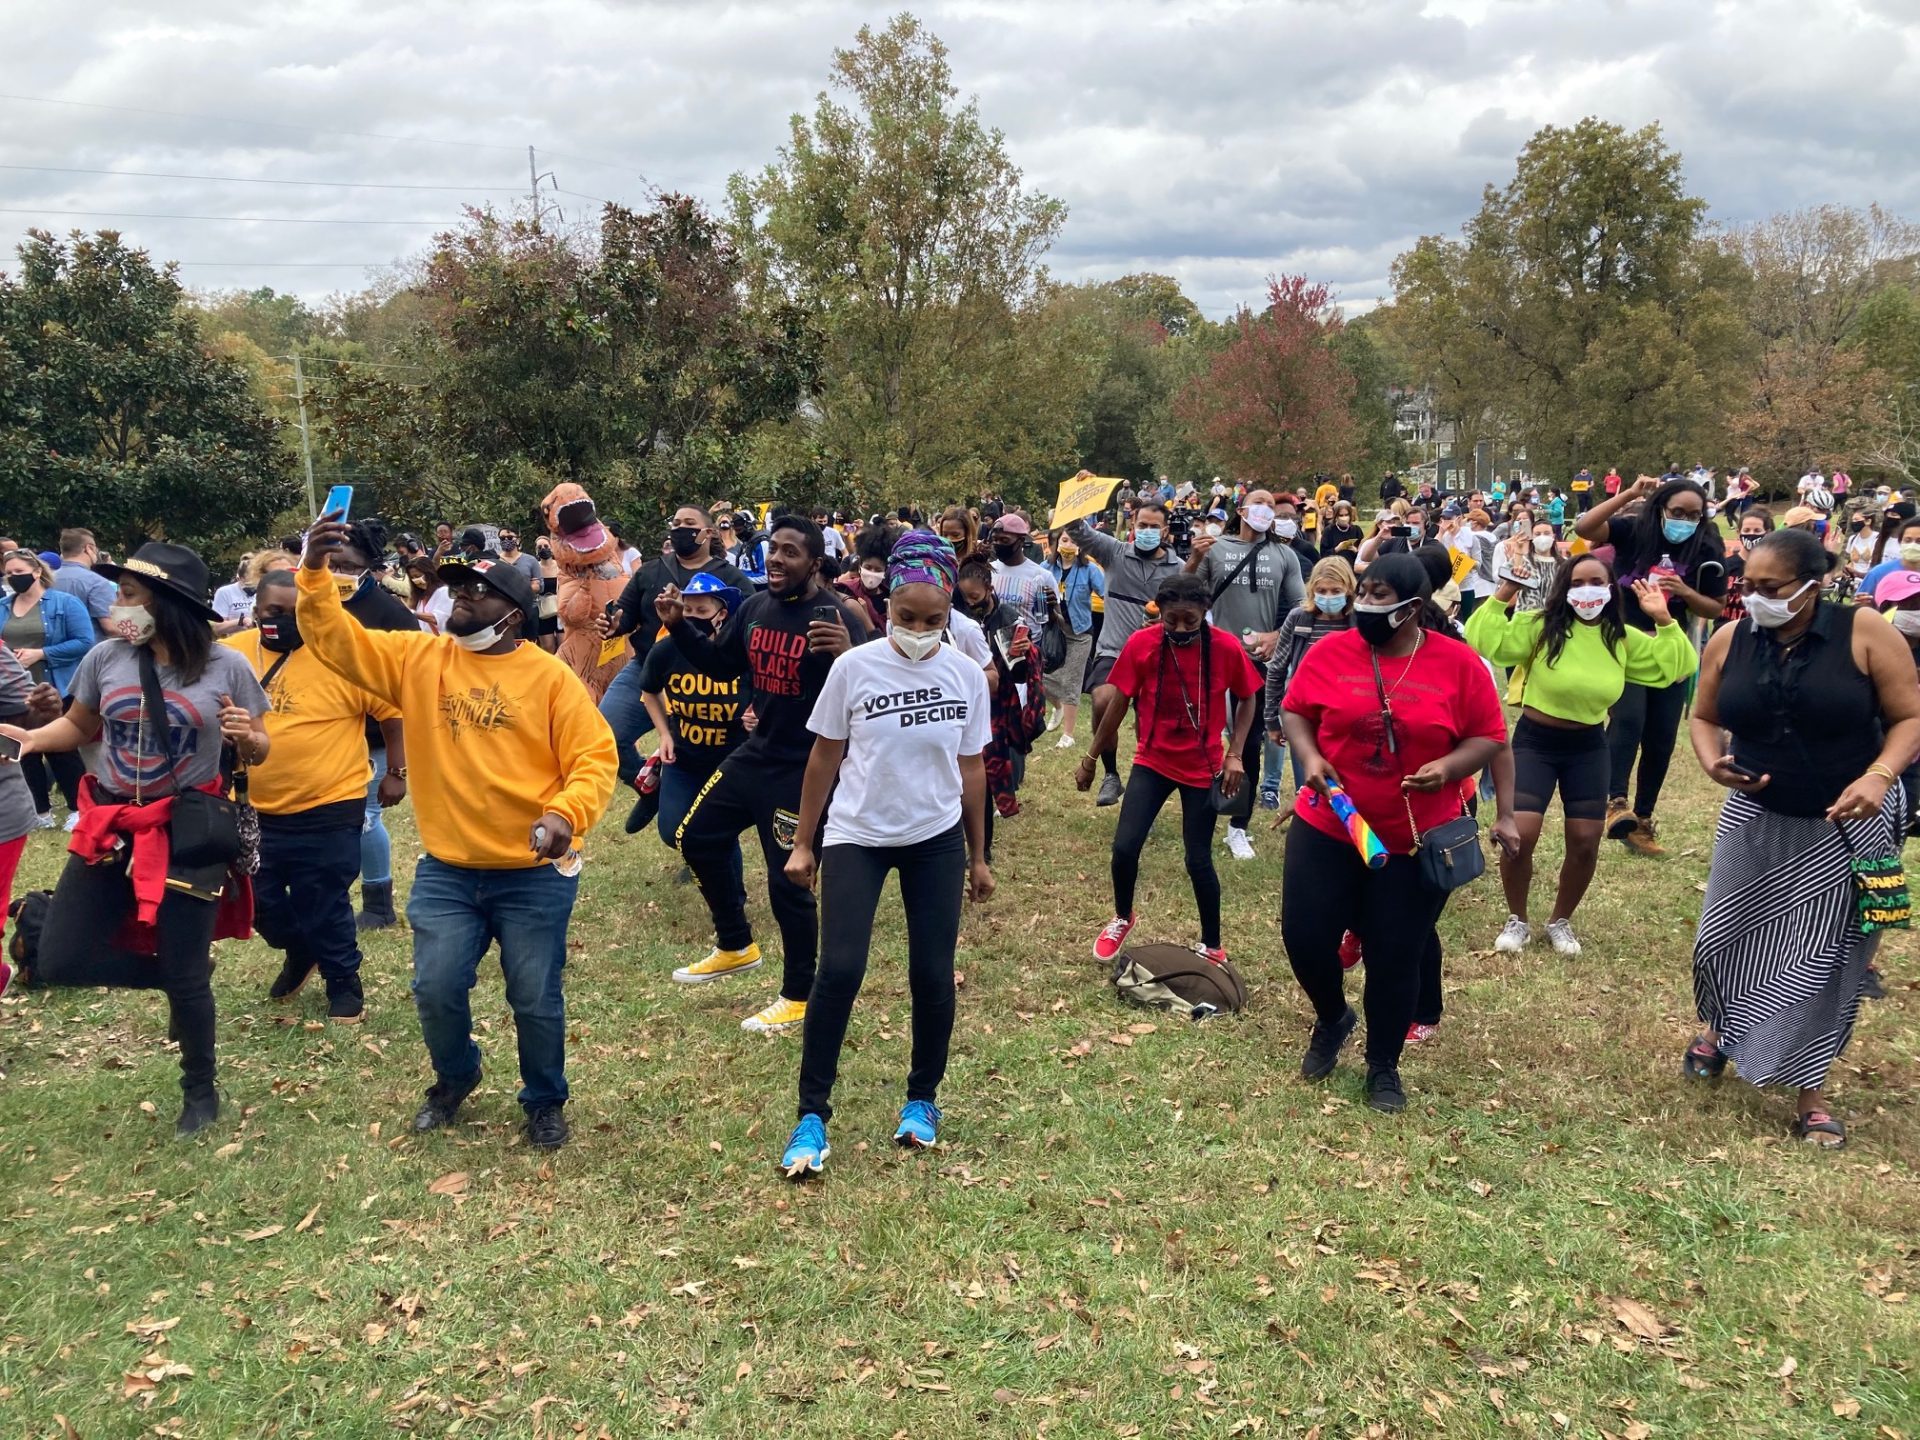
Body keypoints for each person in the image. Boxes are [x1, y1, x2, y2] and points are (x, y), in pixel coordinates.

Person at [297, 523, 618, 1150]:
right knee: (437, 987)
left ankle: (544, 1099)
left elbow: (595, 759)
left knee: (534, 997)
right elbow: (334, 640)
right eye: (457, 590)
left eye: (479, 590)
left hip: (532, 873)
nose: (462, 597)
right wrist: (313, 575)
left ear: (515, 615)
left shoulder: (550, 679)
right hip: (449, 869)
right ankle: (455, 1076)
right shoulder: (419, 660)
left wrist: (564, 814)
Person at [0, 542, 271, 1135]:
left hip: (189, 829)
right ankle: (176, 977)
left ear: (166, 603)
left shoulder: (227, 668)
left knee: (186, 967)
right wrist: (25, 739)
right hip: (112, 824)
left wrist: (243, 737)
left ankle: (200, 1088)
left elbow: (259, 745)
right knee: (62, 958)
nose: (117, 605)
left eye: (128, 594)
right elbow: (79, 725)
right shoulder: (106, 658)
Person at [1685, 529, 1920, 1148]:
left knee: (1828, 957)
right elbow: (1705, 715)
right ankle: (1720, 1029)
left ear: (1813, 585)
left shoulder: (1869, 634)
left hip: (1851, 820)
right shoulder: (1732, 639)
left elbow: (1909, 717)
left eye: (1771, 589)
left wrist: (1880, 774)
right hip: (1757, 816)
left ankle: (1810, 1093)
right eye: (1748, 587)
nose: (1755, 599)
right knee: (1725, 936)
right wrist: (1712, 762)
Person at [776, 534, 992, 1178]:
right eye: (906, 617)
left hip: (934, 838)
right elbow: (825, 756)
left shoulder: (963, 675)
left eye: (933, 620)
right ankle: (812, 1113)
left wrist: (978, 856)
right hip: (857, 835)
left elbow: (973, 767)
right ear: (886, 606)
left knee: (932, 973)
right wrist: (805, 842)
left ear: (950, 611)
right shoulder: (855, 668)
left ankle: (922, 1101)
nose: (919, 631)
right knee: (839, 969)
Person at [1278, 554, 1510, 1113]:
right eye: (1365, 592)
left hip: (1413, 837)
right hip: (1331, 823)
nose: (1366, 605)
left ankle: (1383, 1065)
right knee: (1306, 938)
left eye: (1381, 596)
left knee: (1394, 953)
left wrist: (1450, 768)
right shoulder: (1331, 651)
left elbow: (1489, 735)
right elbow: (1295, 711)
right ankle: (1333, 1017)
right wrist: (1308, 756)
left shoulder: (1458, 664)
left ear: (1412, 606)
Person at [654, 516, 870, 1032]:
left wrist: (849, 653)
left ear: (815, 564)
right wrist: (678, 624)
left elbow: (874, 693)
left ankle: (799, 994)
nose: (776, 559)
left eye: (791, 553)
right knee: (695, 835)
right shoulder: (752, 608)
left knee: (787, 881)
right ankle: (735, 943)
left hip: (806, 767)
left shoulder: (839, 617)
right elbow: (721, 665)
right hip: (756, 753)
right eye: (774, 550)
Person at [1466, 556, 1696, 955]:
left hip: (1589, 746)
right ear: (1565, 589)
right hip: (1535, 741)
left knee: (1586, 840)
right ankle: (1517, 919)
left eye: (1596, 582)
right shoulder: (1540, 627)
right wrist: (1506, 590)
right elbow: (1485, 638)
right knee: (1520, 835)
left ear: (1609, 589)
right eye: (1578, 582)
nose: (1587, 590)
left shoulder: (1621, 638)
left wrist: (1664, 620)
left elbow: (1676, 666)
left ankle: (1560, 921)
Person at [221, 570, 398, 1023]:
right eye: (271, 612)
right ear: (255, 611)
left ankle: (343, 979)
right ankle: (299, 949)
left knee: (323, 899)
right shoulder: (230, 655)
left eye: (294, 611)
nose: (281, 620)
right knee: (255, 898)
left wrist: (396, 772)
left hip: (329, 802)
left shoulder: (342, 654)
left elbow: (391, 714)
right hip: (251, 806)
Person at [1077, 572, 1261, 965]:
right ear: (1158, 613)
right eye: (1170, 620)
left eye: (1189, 622)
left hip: (1203, 766)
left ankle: (1213, 944)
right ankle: (1122, 917)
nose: (1179, 629)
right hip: (1153, 760)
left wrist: (1236, 753)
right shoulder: (1142, 643)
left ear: (1205, 613)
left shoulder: (1226, 648)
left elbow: (1248, 698)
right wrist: (1091, 759)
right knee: (1125, 847)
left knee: (1198, 859)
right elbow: (1119, 702)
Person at [1573, 475, 1727, 856]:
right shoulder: (1634, 531)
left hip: (1671, 647)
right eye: (1677, 512)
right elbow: (1584, 527)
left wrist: (1685, 592)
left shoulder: (1707, 545)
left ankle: (1641, 820)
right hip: (1625, 642)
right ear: (1661, 509)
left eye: (1694, 514)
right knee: (1628, 719)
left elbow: (1715, 606)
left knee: (1661, 736)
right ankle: (1614, 802)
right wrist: (1629, 494)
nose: (1685, 520)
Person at [597, 506, 748, 800]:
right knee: (604, 735)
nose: (680, 528)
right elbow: (624, 617)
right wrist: (613, 624)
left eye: (689, 523)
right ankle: (649, 785)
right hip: (647, 668)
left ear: (708, 533)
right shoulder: (651, 571)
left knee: (699, 751)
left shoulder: (731, 578)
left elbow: (750, 623)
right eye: (676, 523)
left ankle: (698, 802)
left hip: (709, 677)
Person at [1187, 488, 1303, 860]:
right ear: (1241, 509)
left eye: (1272, 506)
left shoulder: (1285, 555)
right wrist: (1193, 558)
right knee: (1201, 738)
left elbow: (1302, 607)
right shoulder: (1216, 548)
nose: (1267, 511)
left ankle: (1238, 827)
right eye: (1260, 503)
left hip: (1257, 663)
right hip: (1213, 655)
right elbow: (1183, 591)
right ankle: (1198, 812)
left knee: (1248, 744)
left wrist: (1275, 635)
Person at [319, 518, 417, 932]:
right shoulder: (314, 607)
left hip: (376, 737)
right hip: (328, 734)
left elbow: (410, 685)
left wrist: (398, 767)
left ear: (368, 565)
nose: (336, 573)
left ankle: (379, 902)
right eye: (329, 563)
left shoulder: (391, 614)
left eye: (345, 564)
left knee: (365, 818)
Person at [635, 573, 746, 911]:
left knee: (715, 832)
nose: (694, 616)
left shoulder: (737, 653)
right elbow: (649, 692)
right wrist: (665, 734)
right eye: (689, 609)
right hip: (683, 759)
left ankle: (731, 900)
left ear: (721, 613)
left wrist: (758, 713)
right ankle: (658, 798)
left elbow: (767, 693)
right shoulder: (666, 650)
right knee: (672, 833)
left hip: (730, 764)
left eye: (702, 609)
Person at [1064, 502, 1184, 806]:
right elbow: (1077, 530)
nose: (1146, 531)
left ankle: (1144, 789)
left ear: (1165, 530)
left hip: (1158, 655)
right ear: (1132, 525)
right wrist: (1080, 496)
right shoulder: (1114, 552)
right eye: (1141, 525)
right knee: (1103, 700)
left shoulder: (1178, 568)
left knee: (1148, 724)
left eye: (1153, 527)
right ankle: (1111, 774)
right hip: (1114, 649)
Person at [2, 549, 93, 828]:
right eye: (8, 573)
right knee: (22, 750)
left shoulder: (65, 603)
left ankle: (78, 807)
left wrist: (42, 653)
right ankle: (39, 810)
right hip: (14, 693)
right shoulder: (3, 605)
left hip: (55, 688)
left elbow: (84, 641)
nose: (13, 577)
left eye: (19, 572)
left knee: (62, 751)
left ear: (37, 571)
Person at [1264, 558, 1356, 801]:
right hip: (1304, 715)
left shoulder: (1356, 622)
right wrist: (1272, 719)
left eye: (1335, 591)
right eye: (1321, 591)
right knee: (1308, 780)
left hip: (1346, 714)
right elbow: (1277, 669)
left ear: (1348, 590)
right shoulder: (1299, 618)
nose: (1328, 596)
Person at [1044, 530, 1104, 747]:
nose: (1069, 545)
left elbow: (1107, 592)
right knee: (1039, 674)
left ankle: (1068, 735)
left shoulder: (1089, 569)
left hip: (1080, 633)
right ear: (1057, 542)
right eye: (1065, 540)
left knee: (1071, 681)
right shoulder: (1046, 568)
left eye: (1074, 541)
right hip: (1053, 631)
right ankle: (1058, 706)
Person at [987, 514, 1059, 638]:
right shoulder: (988, 570)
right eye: (995, 539)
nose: (998, 544)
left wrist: (1051, 611)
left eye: (1004, 540)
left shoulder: (1041, 576)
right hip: (994, 650)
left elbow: (1058, 623)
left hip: (1030, 650)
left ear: (1021, 541)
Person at [51, 528, 118, 636]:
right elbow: (110, 627)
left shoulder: (45, 580)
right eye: (95, 549)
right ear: (89, 548)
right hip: (90, 650)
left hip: (49, 650)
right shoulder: (97, 583)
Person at [1493, 520, 1562, 613]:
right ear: (1532, 537)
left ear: (1553, 536)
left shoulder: (1564, 564)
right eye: (1537, 534)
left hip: (1555, 617)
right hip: (1525, 617)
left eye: (1546, 533)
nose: (1542, 537)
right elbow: (1501, 576)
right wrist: (1518, 554)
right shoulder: (1523, 559)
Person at [1859, 513, 1920, 603]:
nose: (1912, 545)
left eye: (1919, 541)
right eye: (1908, 540)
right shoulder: (1878, 573)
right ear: (1900, 541)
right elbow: (1860, 605)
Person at [405, 557, 454, 635]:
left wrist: (413, 613)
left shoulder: (444, 592)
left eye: (417, 576)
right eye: (412, 578)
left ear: (429, 573)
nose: (415, 580)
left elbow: (437, 618)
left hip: (444, 642)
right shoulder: (422, 597)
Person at [210, 556, 257, 635]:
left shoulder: (263, 592)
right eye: (249, 583)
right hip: (235, 642)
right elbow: (217, 628)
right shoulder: (225, 592)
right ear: (241, 578)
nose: (252, 587)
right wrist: (241, 621)